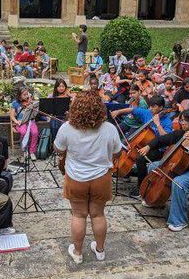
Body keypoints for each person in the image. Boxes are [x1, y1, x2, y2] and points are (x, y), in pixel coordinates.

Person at [54, 90, 122, 264]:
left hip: (76, 177)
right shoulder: (109, 129)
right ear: (100, 108)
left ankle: (77, 252)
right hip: (101, 178)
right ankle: (100, 250)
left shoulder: (67, 128)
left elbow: (58, 149)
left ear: (76, 108)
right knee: (98, 215)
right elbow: (117, 152)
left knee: (78, 215)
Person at [139, 109, 189, 231]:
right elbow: (162, 139)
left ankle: (179, 221)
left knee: (178, 183)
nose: (181, 123)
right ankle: (156, 200)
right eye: (181, 120)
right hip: (182, 168)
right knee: (153, 167)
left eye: (185, 121)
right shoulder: (180, 133)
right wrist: (148, 146)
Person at [11, 87, 39, 160]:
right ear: (20, 96)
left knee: (35, 133)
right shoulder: (15, 103)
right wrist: (17, 122)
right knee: (23, 132)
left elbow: (35, 113)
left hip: (30, 120)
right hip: (21, 122)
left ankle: (32, 151)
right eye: (24, 95)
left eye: (27, 94)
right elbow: (12, 116)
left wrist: (31, 103)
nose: (26, 96)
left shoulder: (30, 102)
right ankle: (25, 149)